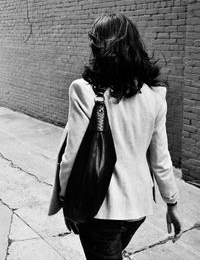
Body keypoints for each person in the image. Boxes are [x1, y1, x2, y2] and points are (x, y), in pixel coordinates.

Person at [48, 13, 182, 260]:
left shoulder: (83, 91)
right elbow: (161, 159)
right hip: (137, 211)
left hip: (100, 211)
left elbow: (71, 156)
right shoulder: (155, 96)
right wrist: (171, 203)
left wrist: (68, 202)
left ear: (100, 48)